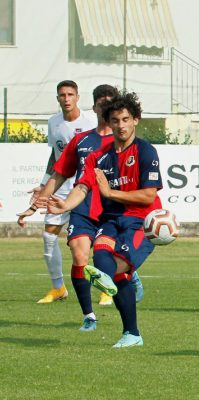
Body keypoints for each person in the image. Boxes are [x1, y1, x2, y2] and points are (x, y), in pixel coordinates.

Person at [18, 85, 144, 331]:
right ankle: (89, 315)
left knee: (106, 258)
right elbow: (59, 173)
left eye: (110, 103)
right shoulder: (82, 140)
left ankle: (128, 277)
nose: (105, 107)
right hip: (83, 206)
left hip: (113, 209)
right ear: (95, 107)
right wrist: (35, 206)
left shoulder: (125, 141)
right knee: (79, 256)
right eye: (101, 103)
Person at [46, 91, 162, 348]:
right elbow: (83, 187)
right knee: (100, 258)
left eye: (125, 119)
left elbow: (147, 195)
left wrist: (109, 192)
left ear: (136, 120)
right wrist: (65, 204)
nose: (121, 125)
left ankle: (132, 328)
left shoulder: (145, 151)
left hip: (141, 221)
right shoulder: (100, 156)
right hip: (110, 220)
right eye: (116, 120)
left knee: (116, 268)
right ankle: (131, 333)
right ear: (109, 123)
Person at [24, 80, 97, 304]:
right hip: (61, 188)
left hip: (86, 188)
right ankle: (58, 288)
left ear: (78, 97)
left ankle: (105, 289)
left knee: (96, 239)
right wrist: (44, 184)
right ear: (57, 98)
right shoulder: (53, 122)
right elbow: (55, 157)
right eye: (62, 95)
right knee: (48, 237)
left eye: (70, 94)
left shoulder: (91, 121)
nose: (66, 99)